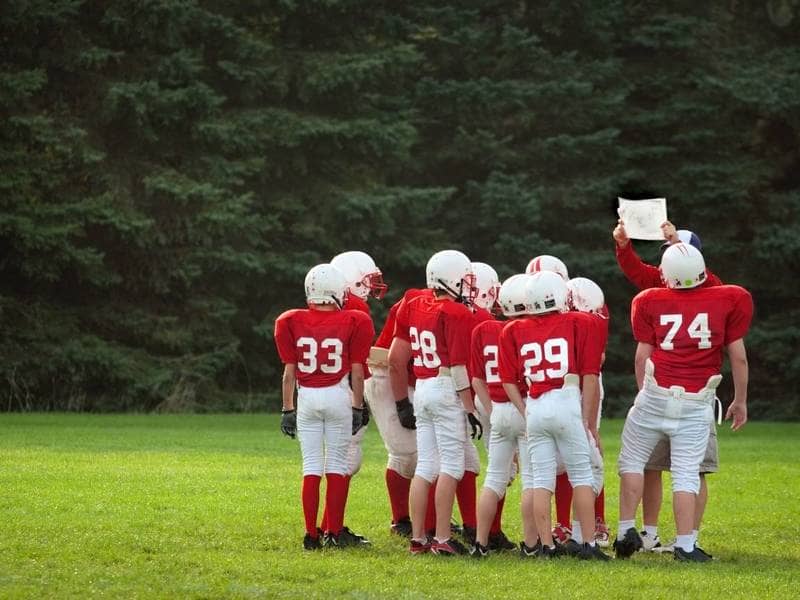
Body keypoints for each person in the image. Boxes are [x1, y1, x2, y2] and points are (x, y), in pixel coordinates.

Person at [614, 243, 752, 562]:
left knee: (633, 461)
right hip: (696, 400)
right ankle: (686, 546)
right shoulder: (728, 297)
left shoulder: (649, 300)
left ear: (667, 275)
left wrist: (645, 397)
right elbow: (739, 359)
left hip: (656, 392)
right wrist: (740, 400)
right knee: (686, 474)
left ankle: (624, 532)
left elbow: (640, 359)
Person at [499, 271, 609, 560]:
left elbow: (508, 379)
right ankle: (588, 544)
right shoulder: (579, 321)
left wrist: (527, 411)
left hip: (535, 404)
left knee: (540, 481)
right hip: (565, 401)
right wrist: (585, 420)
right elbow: (589, 375)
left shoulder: (513, 329)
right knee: (582, 475)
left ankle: (544, 546)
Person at [274, 263, 375, 549]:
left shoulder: (290, 320)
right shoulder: (354, 319)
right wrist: (357, 407)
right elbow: (357, 372)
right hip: (338, 395)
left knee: (311, 467)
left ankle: (311, 534)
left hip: (306, 398)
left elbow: (288, 374)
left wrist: (287, 409)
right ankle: (332, 530)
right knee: (337, 466)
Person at [388, 250, 482, 555]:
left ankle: (418, 538)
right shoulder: (457, 313)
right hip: (445, 389)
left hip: (424, 387)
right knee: (452, 466)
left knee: (426, 466)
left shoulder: (414, 303)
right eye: (465, 279)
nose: (468, 286)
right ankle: (442, 538)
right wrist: (469, 409)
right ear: (451, 278)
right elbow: (458, 368)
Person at [313, 250, 387, 544]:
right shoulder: (355, 307)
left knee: (333, 460)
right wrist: (361, 398)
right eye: (367, 280)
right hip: (344, 389)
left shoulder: (320, 305)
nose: (371, 287)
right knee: (346, 459)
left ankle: (324, 526)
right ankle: (334, 530)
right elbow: (357, 361)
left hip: (316, 389)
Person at [470, 274, 535, 558]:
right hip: (524, 406)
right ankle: (532, 544)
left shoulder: (483, 329)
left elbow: (476, 380)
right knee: (531, 480)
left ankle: (480, 543)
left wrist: (494, 409)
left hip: (497, 411)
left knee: (494, 479)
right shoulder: (531, 330)